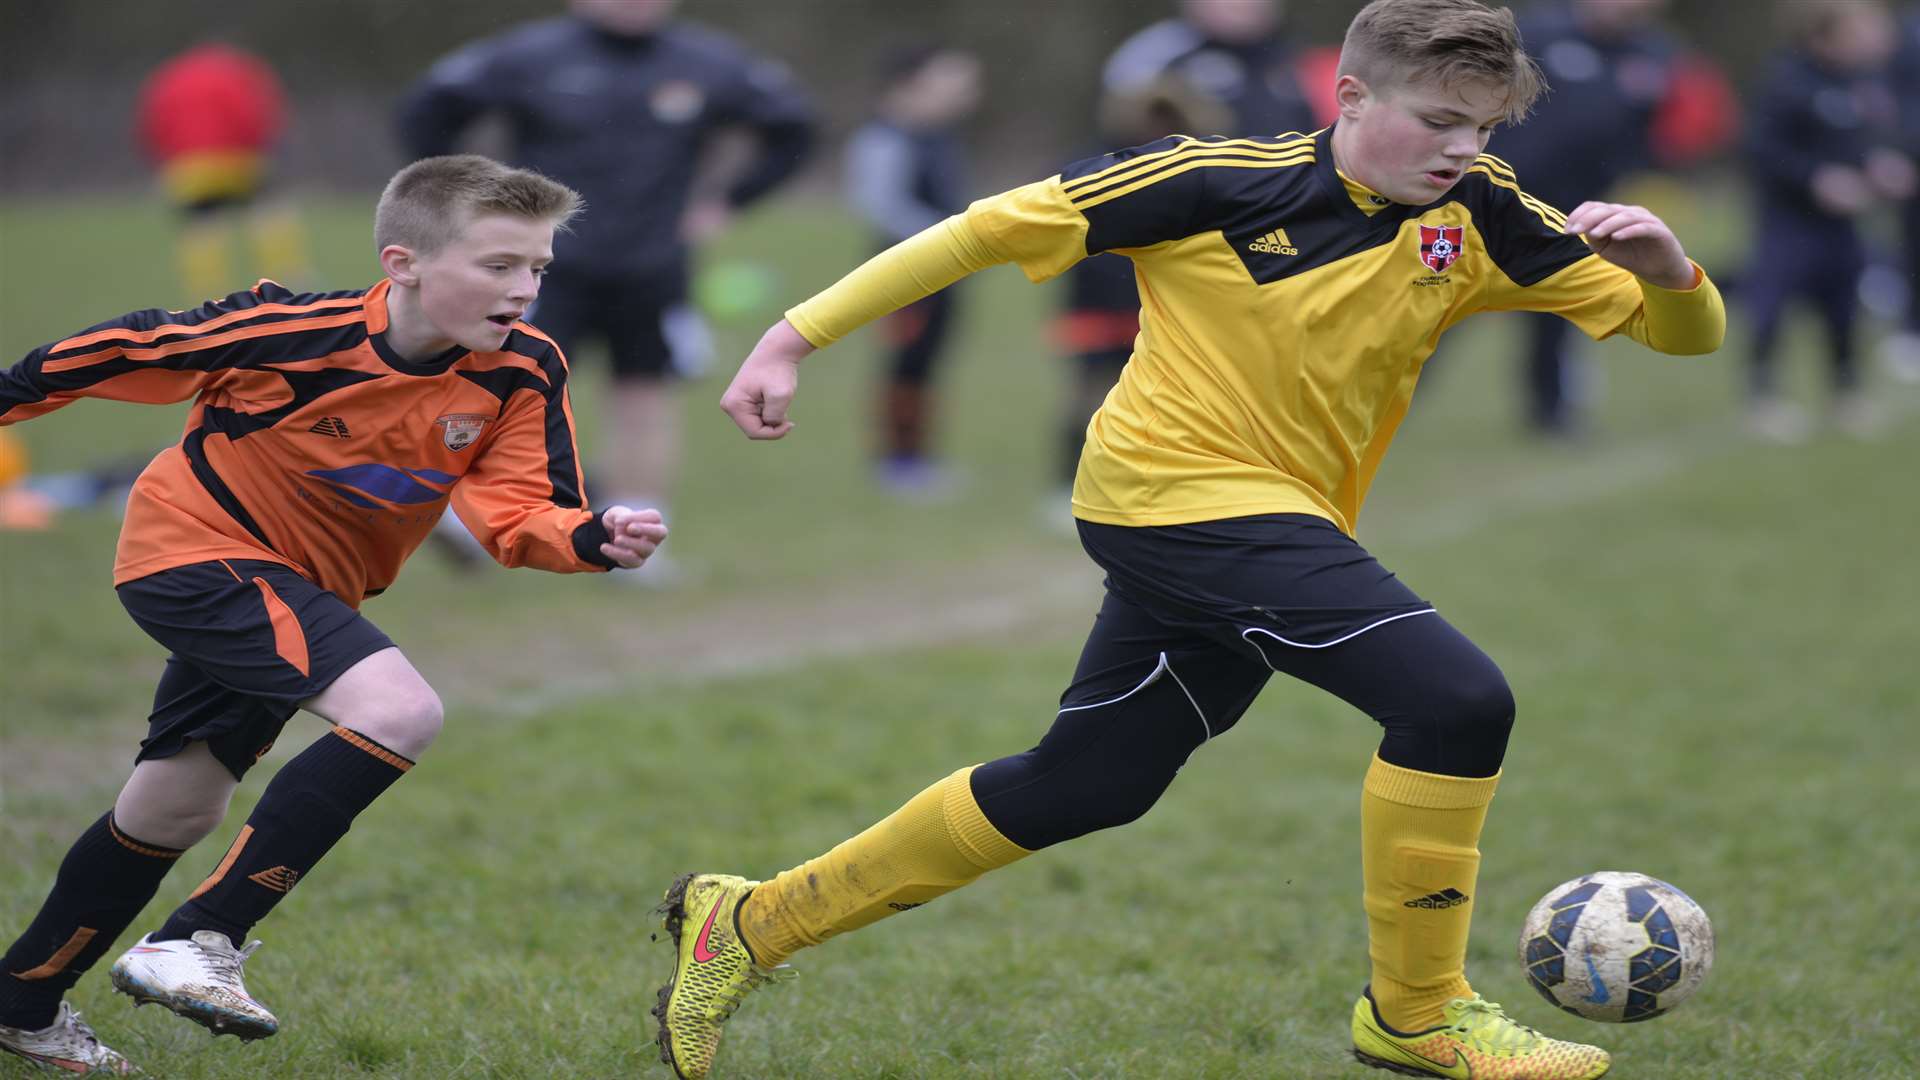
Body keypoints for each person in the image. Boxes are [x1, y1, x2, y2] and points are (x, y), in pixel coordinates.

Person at [655, 0, 1725, 1077]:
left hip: (1271, 519)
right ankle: (1416, 1014)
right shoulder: (1212, 179)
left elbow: (1677, 336)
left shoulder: (1480, 211)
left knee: (1090, 782)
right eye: (1441, 120)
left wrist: (1674, 270)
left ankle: (749, 923)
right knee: (1455, 702)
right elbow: (981, 228)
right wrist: (791, 339)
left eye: (1484, 130)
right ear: (1350, 96)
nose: (1462, 149)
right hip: (1170, 495)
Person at [0, 155, 667, 1075]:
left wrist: (596, 536)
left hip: (305, 593)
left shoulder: (523, 372)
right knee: (399, 711)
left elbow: (519, 513)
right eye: (499, 265)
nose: (524, 289)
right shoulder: (290, 331)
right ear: (404, 264)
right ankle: (201, 938)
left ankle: (22, 1001)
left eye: (539, 269)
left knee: (175, 807)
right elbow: (123, 349)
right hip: (193, 552)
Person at [399, 0, 814, 575]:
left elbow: (794, 125)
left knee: (644, 398)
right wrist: (468, 204)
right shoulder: (529, 54)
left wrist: (728, 202)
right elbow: (428, 108)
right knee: (496, 390)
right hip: (544, 265)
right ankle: (464, 518)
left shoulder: (709, 62)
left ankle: (636, 546)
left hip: (652, 267)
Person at [1490, 0, 1680, 438]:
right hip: (1499, 194)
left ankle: (1552, 413)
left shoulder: (1653, 53)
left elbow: (1642, 126)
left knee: (1557, 307)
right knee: (1437, 289)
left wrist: (1623, 175)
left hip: (1575, 206)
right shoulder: (1537, 33)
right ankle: (1388, 394)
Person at [1741, 0, 1915, 442]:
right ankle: (1763, 398)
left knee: (1843, 307)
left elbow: (1867, 139)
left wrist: (1881, 165)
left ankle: (1846, 394)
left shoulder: (1865, 81)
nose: (1871, 39)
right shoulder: (1787, 82)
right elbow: (1762, 151)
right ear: (1822, 36)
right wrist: (1815, 178)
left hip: (1843, 223)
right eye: (1857, 31)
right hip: (1789, 222)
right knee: (1772, 306)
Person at [843, 45, 983, 497]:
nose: (964, 92)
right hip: (905, 275)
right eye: (950, 80)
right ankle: (897, 464)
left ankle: (919, 460)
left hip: (947, 270)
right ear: (910, 84)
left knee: (928, 363)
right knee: (906, 364)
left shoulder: (939, 137)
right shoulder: (884, 139)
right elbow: (880, 206)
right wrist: (947, 240)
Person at [137, 43, 313, 304]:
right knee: (270, 214)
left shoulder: (169, 76)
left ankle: (208, 296)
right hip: (238, 159)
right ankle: (287, 281)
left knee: (201, 228)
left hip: (188, 166)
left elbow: (151, 122)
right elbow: (257, 113)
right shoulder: (240, 72)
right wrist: (263, 147)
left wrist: (164, 159)